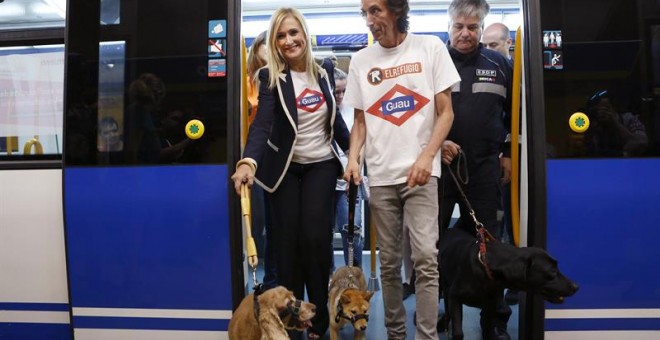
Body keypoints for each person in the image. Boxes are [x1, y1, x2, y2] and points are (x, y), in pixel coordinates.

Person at [343, 0, 460, 338]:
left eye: (375, 10)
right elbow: (360, 122)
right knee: (389, 265)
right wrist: (353, 159)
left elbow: (446, 112)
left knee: (426, 259)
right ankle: (396, 333)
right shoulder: (361, 61)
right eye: (365, 12)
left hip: (421, 175)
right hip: (380, 178)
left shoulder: (429, 47)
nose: (369, 20)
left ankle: (426, 335)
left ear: (396, 10)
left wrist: (427, 157)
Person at [231, 7, 350, 339]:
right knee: (286, 246)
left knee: (315, 237)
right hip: (282, 170)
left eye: (293, 33)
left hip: (321, 165)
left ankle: (321, 318)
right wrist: (247, 162)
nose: (288, 40)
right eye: (280, 36)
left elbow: (335, 122)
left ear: (304, 34)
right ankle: (295, 320)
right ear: (274, 41)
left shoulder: (324, 70)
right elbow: (263, 125)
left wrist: (356, 153)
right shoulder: (271, 76)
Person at [441, 0, 514, 339]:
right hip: (442, 168)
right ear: (449, 26)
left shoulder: (499, 63)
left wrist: (508, 152)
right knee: (435, 245)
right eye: (459, 26)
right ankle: (442, 306)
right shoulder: (434, 62)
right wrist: (435, 144)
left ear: (482, 29)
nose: (465, 33)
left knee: (489, 246)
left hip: (485, 168)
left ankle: (494, 318)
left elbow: (514, 113)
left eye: (472, 27)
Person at [245, 29, 278, 290]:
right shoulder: (246, 82)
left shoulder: (283, 80)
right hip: (254, 158)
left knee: (275, 221)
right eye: (264, 45)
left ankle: (273, 274)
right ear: (255, 49)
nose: (268, 50)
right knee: (257, 220)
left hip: (277, 159)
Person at [331, 67, 364, 270]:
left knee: (351, 230)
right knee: (322, 232)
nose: (340, 96)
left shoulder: (354, 110)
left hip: (350, 179)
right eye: (336, 92)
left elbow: (361, 144)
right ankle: (328, 277)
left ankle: (354, 275)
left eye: (344, 91)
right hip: (326, 179)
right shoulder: (321, 109)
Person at [583, 89, 648, 157]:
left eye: (605, 109)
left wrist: (614, 122)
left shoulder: (628, 119)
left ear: (613, 108)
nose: (601, 113)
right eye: (597, 110)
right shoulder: (591, 125)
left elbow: (641, 142)